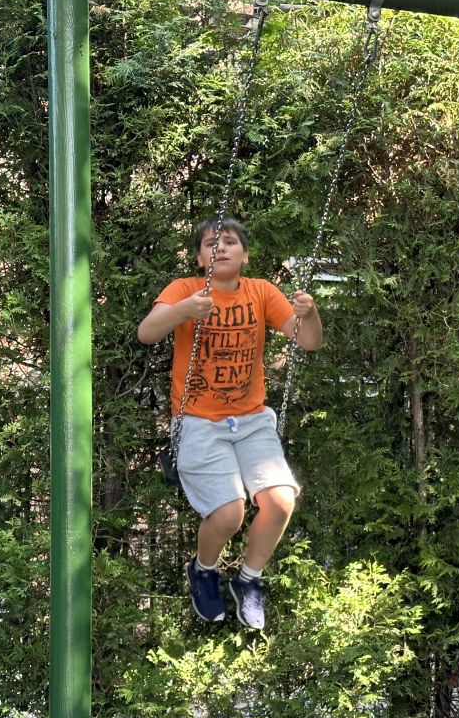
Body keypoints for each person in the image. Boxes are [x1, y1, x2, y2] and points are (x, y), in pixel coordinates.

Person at [137, 216, 323, 629]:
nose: (219, 248)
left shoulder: (261, 292)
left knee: (281, 501)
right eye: (210, 244)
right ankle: (203, 570)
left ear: (245, 255)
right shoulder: (184, 289)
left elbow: (309, 341)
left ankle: (249, 578)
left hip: (252, 421)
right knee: (228, 515)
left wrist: (309, 314)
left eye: (229, 242)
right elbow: (146, 333)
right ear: (199, 258)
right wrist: (185, 310)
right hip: (199, 422)